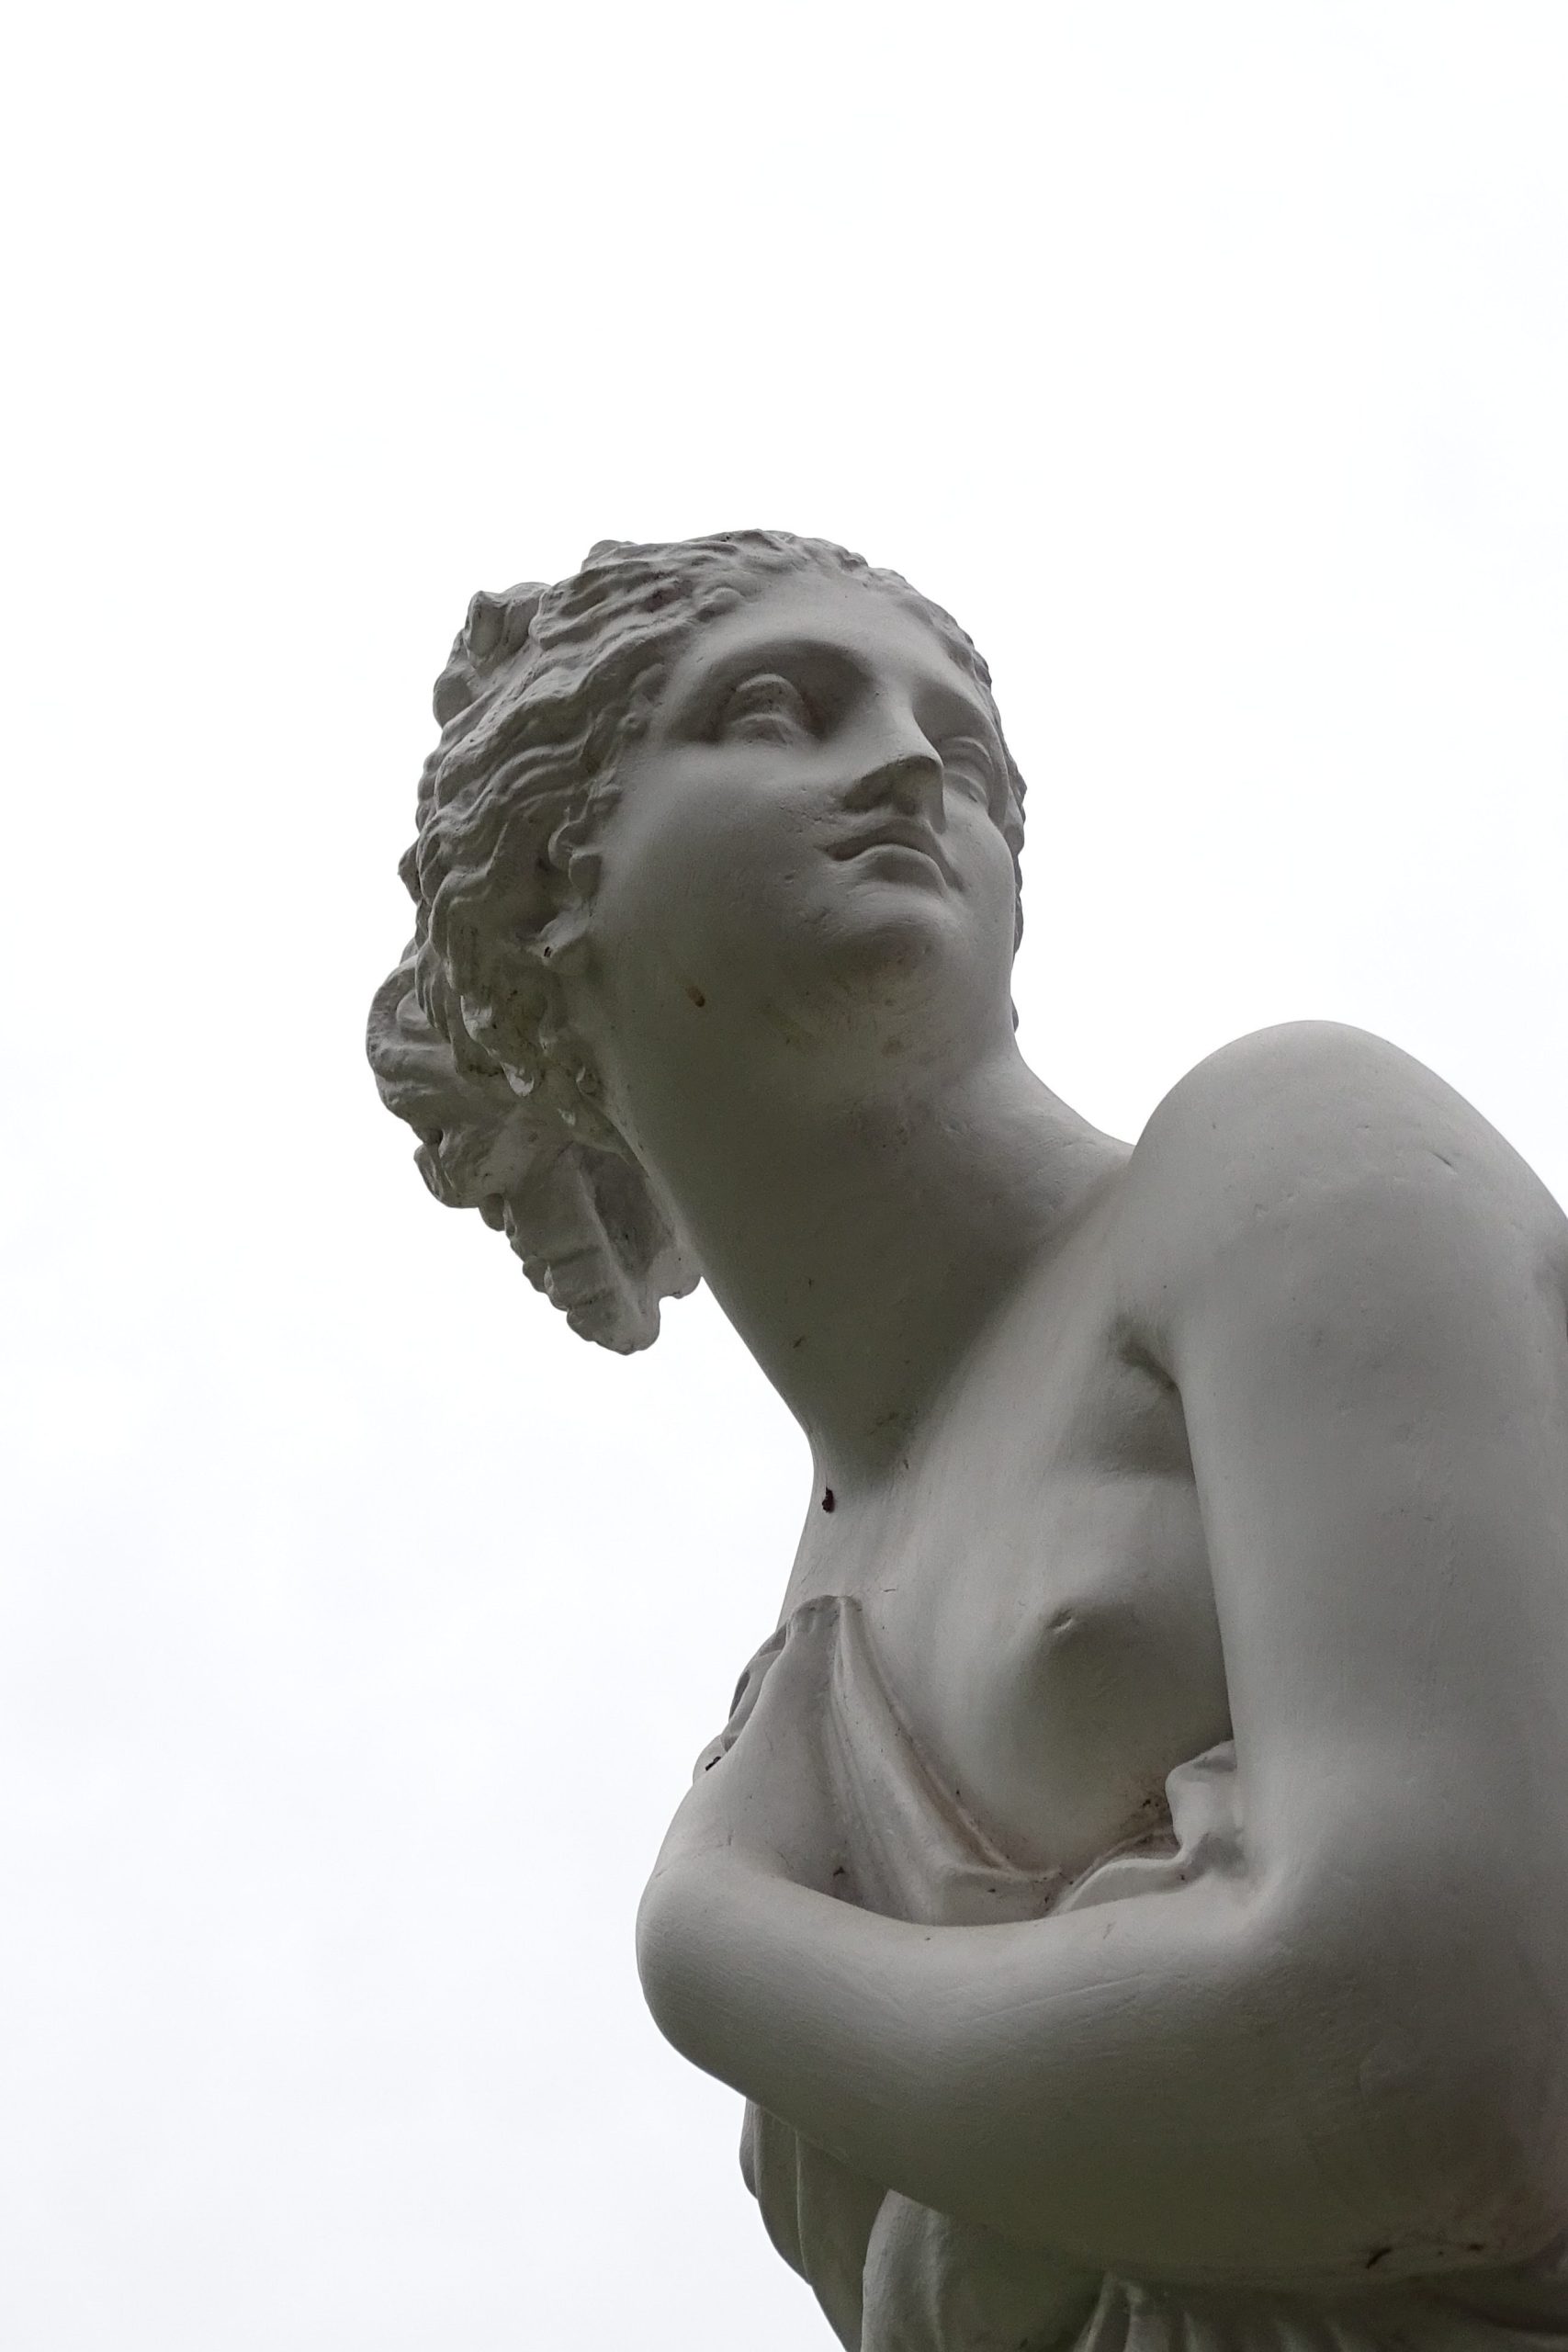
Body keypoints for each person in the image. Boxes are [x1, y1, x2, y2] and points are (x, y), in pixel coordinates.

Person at [369, 531, 1568, 2351]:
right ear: (556, 898)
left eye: (965, 747)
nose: (912, 762)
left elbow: (1433, 2065)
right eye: (776, 708)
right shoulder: (791, 1707)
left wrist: (717, 1952)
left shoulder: (1284, 1163)